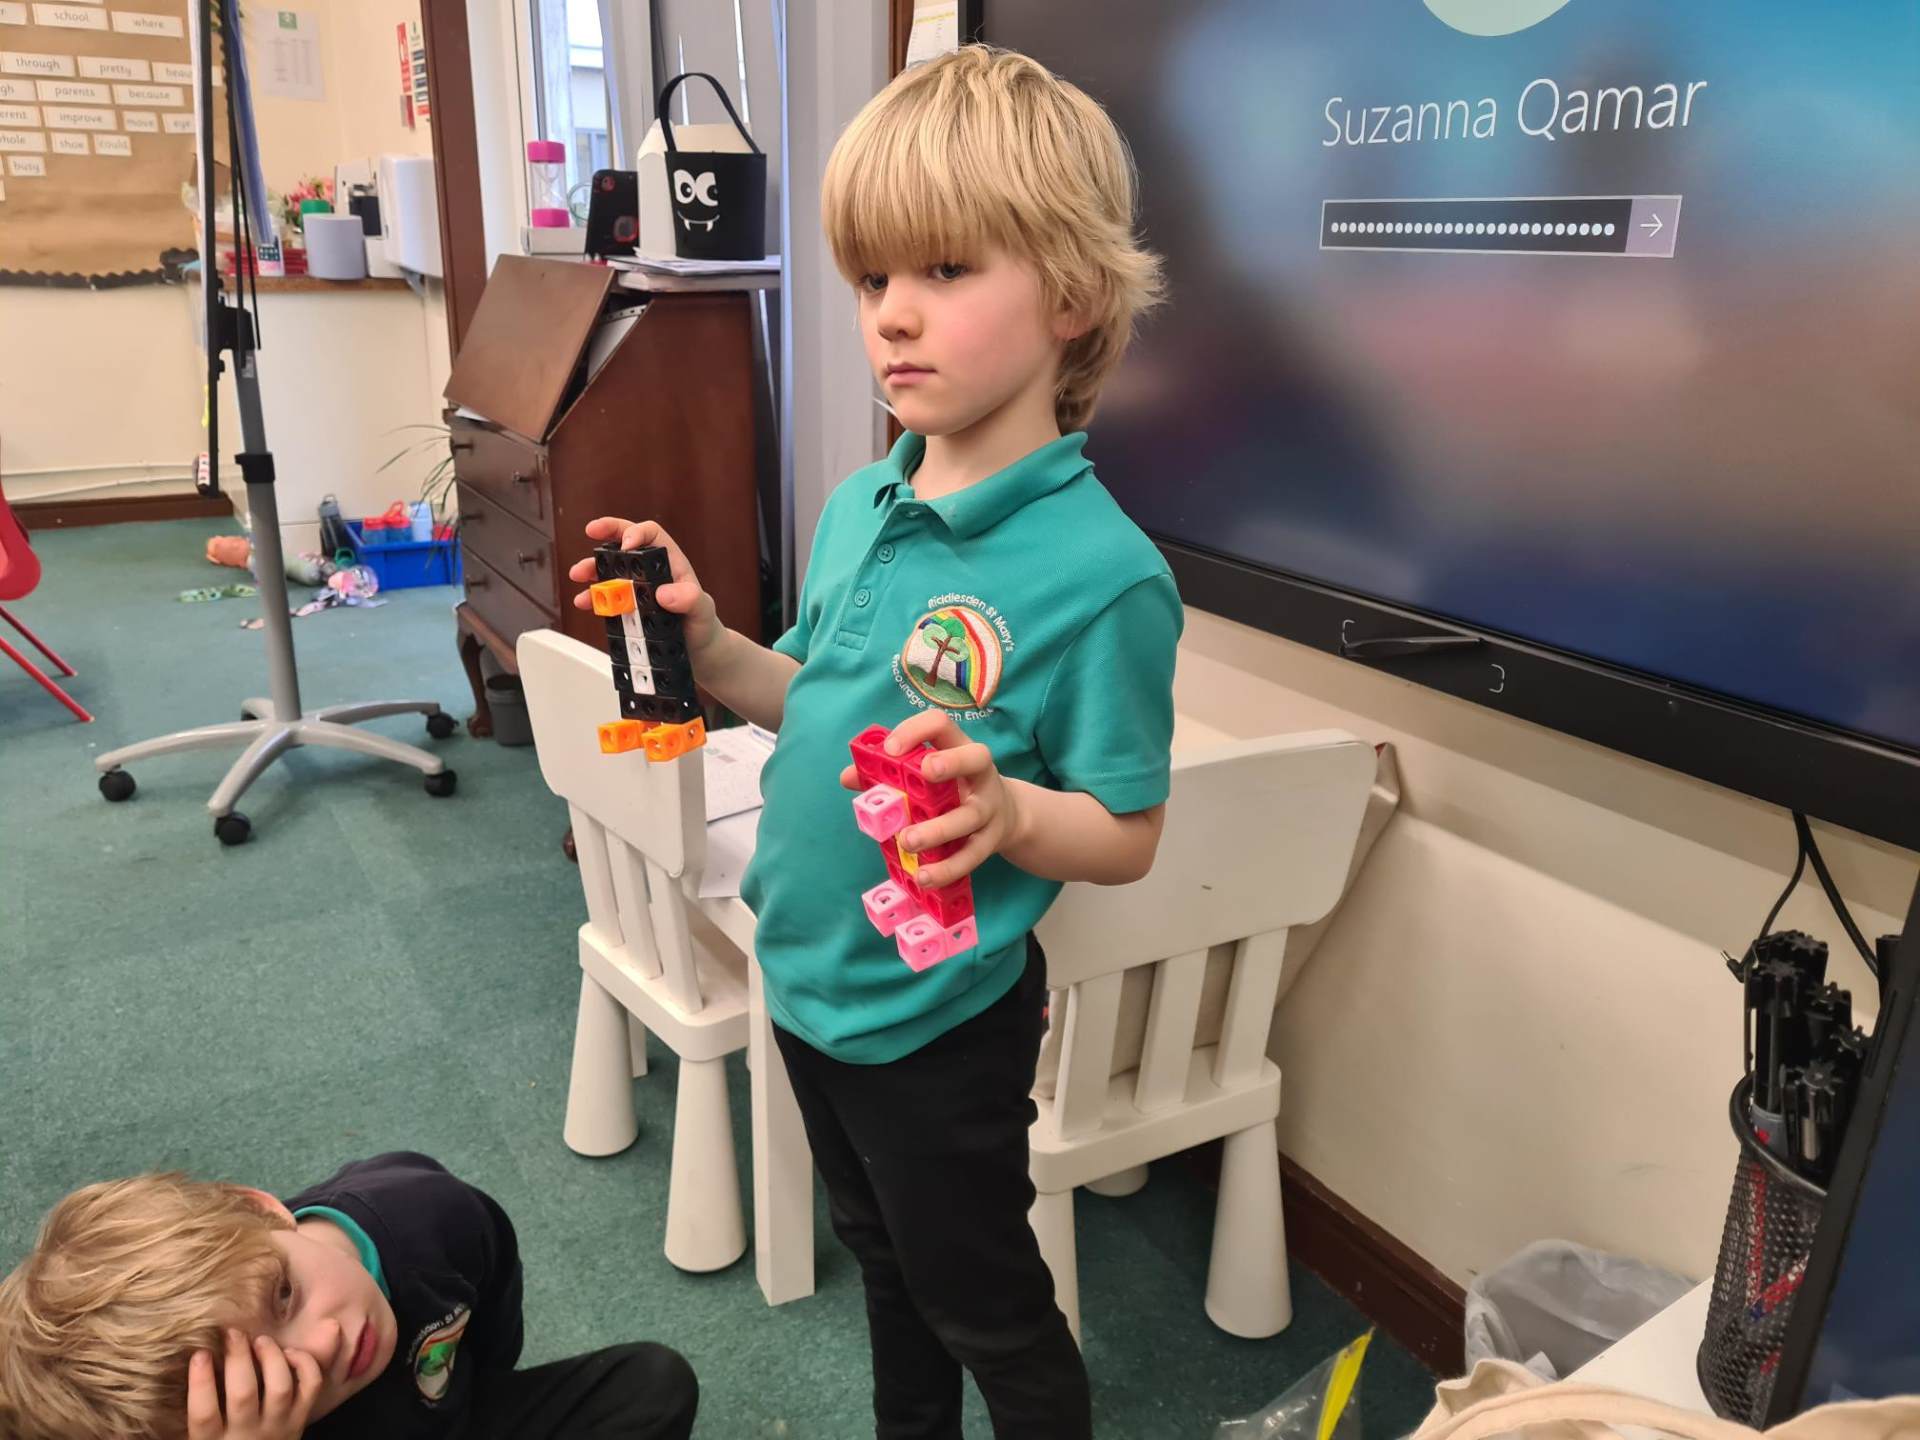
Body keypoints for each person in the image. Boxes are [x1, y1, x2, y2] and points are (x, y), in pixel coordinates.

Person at [568, 44, 1178, 1439]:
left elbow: (1130, 834)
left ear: (1073, 296)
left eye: (946, 270)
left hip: (938, 1027)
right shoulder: (862, 501)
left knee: (990, 1312)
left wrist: (1013, 815)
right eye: (870, 279)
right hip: (807, 978)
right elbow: (817, 699)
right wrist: (713, 648)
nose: (893, 315)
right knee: (886, 1269)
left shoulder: (1108, 577)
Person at [0, 1152, 698, 1440]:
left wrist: (481, 1380)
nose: (325, 1344)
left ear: (262, 1210)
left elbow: (491, 1297)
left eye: (284, 1296)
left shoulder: (424, 1215)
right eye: (261, 1382)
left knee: (652, 1384)